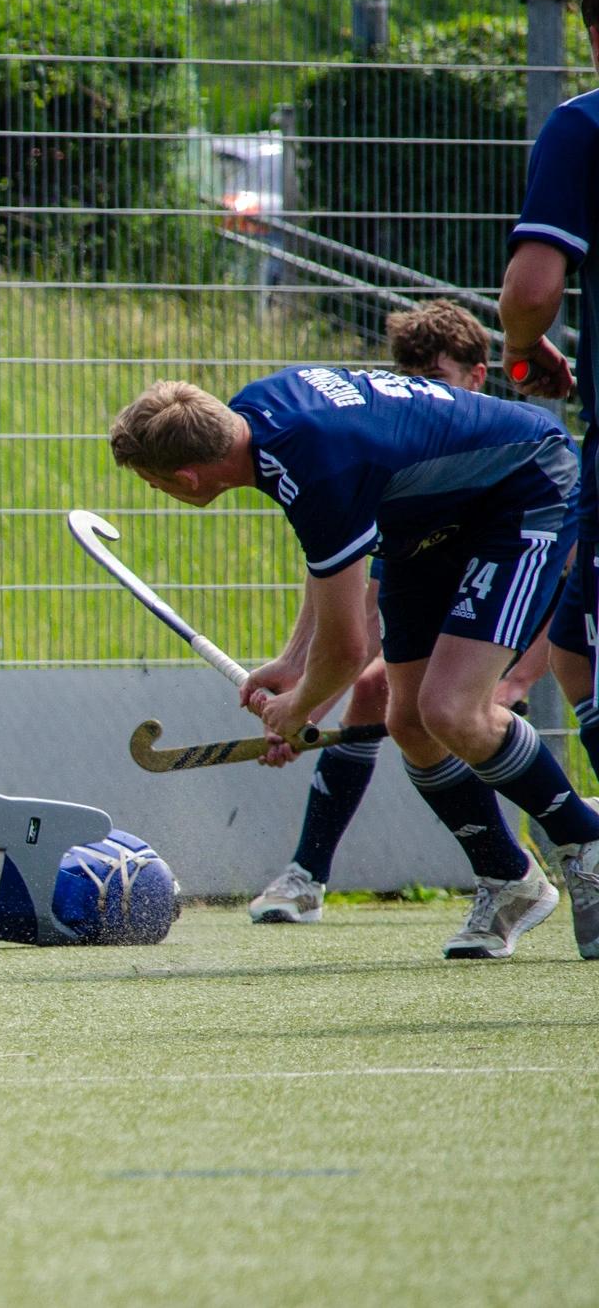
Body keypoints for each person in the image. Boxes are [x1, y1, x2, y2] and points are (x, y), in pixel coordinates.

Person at [110, 367, 599, 959]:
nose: (160, 491)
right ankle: (508, 879)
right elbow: (329, 566)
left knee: (452, 708)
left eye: (155, 483)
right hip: (424, 522)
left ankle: (585, 842)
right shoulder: (256, 414)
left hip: (521, 488)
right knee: (410, 724)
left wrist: (300, 706)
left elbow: (345, 649)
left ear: (187, 478)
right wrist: (294, 667)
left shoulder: (319, 465)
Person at [247, 302, 549, 923]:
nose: (421, 392)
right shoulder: (411, 471)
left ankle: (557, 855)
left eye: (435, 378)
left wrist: (520, 678)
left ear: (476, 377)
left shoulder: (487, 450)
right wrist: (301, 706)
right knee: (376, 693)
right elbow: (358, 603)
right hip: (469, 582)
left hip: (539, 596)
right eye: (408, 376)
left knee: (400, 693)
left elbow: (567, 581)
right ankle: (313, 875)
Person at [499, 0, 599, 960]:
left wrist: (526, 352)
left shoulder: (582, 123)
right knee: (568, 646)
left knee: (579, 647)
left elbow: (530, 289)